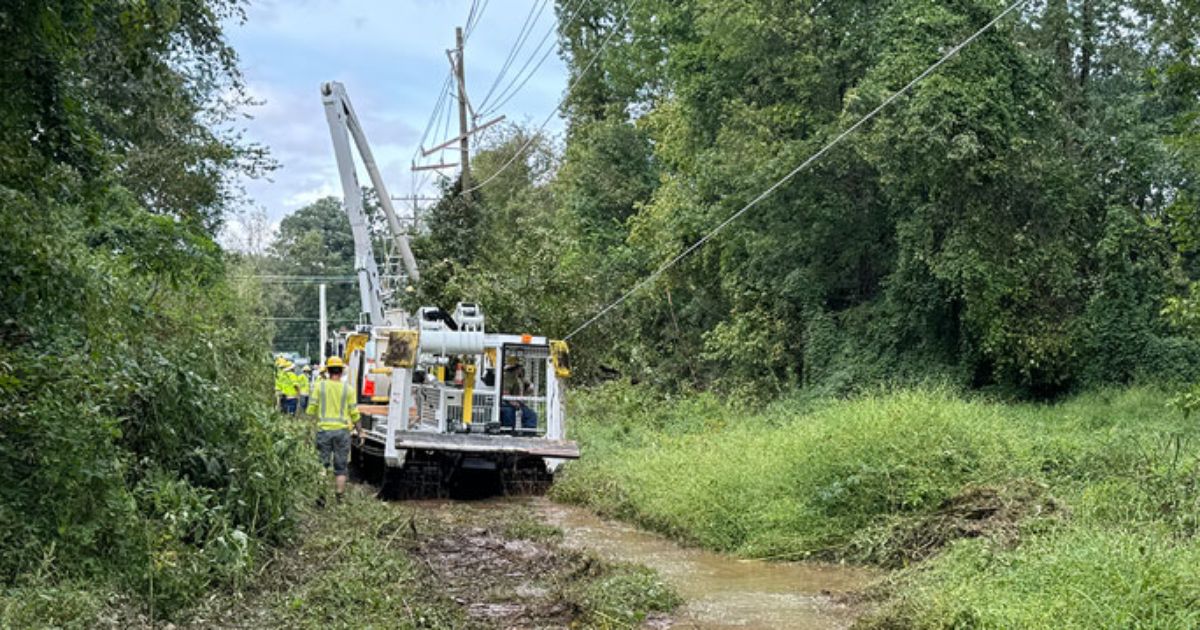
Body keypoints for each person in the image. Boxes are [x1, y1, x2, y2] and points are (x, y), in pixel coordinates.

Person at [307, 356, 360, 505]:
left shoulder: (320, 386)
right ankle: (340, 498)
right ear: (342, 371)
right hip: (342, 432)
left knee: (322, 465)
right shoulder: (348, 389)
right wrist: (360, 431)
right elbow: (354, 413)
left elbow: (311, 409)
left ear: (328, 370)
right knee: (341, 466)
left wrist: (308, 427)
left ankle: (321, 497)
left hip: (323, 431)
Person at [500, 363, 538, 433]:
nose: (522, 370)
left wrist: (528, 388)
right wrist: (514, 403)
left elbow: (526, 391)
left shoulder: (519, 378)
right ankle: (508, 432)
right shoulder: (508, 376)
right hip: (506, 403)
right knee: (509, 413)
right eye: (521, 368)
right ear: (517, 368)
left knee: (531, 415)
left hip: (517, 403)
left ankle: (529, 432)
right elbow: (505, 393)